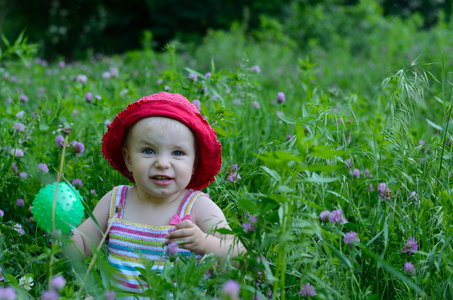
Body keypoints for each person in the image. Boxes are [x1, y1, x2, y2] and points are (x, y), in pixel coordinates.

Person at [67, 92, 244, 296]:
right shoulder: (116, 202)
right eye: (149, 151)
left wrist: (205, 243)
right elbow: (80, 248)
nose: (162, 163)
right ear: (129, 159)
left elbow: (240, 254)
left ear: (194, 164)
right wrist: (61, 227)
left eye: (178, 153)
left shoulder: (197, 207)